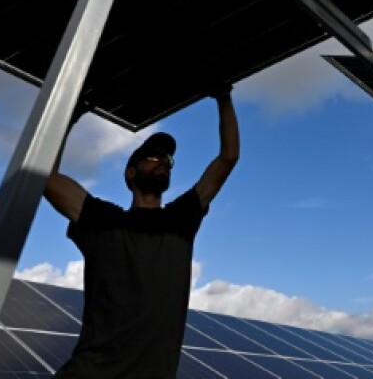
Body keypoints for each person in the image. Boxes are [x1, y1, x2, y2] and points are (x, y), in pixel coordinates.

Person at [43, 85, 240, 379]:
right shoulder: (102, 219)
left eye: (168, 160)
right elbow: (46, 176)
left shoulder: (180, 219)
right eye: (152, 157)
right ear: (130, 173)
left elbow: (228, 157)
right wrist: (67, 118)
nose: (163, 162)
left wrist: (223, 97)